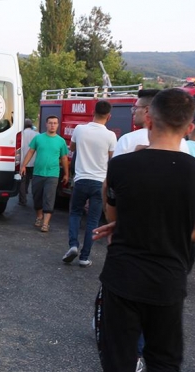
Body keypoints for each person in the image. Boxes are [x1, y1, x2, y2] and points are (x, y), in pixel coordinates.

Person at [94, 88, 195, 372]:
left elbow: (114, 212)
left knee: (118, 364)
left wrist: (128, 224)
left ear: (148, 119)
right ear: (190, 128)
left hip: (122, 279)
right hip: (168, 281)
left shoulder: (122, 166)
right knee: (162, 364)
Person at [62, 101, 116, 267]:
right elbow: (111, 159)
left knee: (75, 213)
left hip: (81, 179)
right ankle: (84, 257)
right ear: (109, 116)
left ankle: (73, 245)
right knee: (92, 220)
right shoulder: (111, 136)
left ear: (93, 112)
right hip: (99, 182)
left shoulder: (80, 129)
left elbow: (71, 148)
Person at [20, 116, 69, 233]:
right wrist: (23, 165)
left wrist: (66, 174)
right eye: (50, 123)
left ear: (57, 125)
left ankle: (46, 223)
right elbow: (31, 151)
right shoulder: (38, 138)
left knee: (49, 197)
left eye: (55, 123)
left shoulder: (61, 141)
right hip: (38, 173)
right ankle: (39, 216)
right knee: (37, 197)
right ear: (46, 124)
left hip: (53, 174)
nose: (52, 125)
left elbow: (64, 158)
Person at [112, 89, 189, 157]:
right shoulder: (181, 143)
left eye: (136, 108)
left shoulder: (127, 140)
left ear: (147, 110)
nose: (133, 112)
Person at [18, 118, 38, 206]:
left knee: (22, 180)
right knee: (32, 180)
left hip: (23, 161)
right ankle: (35, 199)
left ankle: (23, 200)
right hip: (34, 161)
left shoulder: (21, 134)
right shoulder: (37, 134)